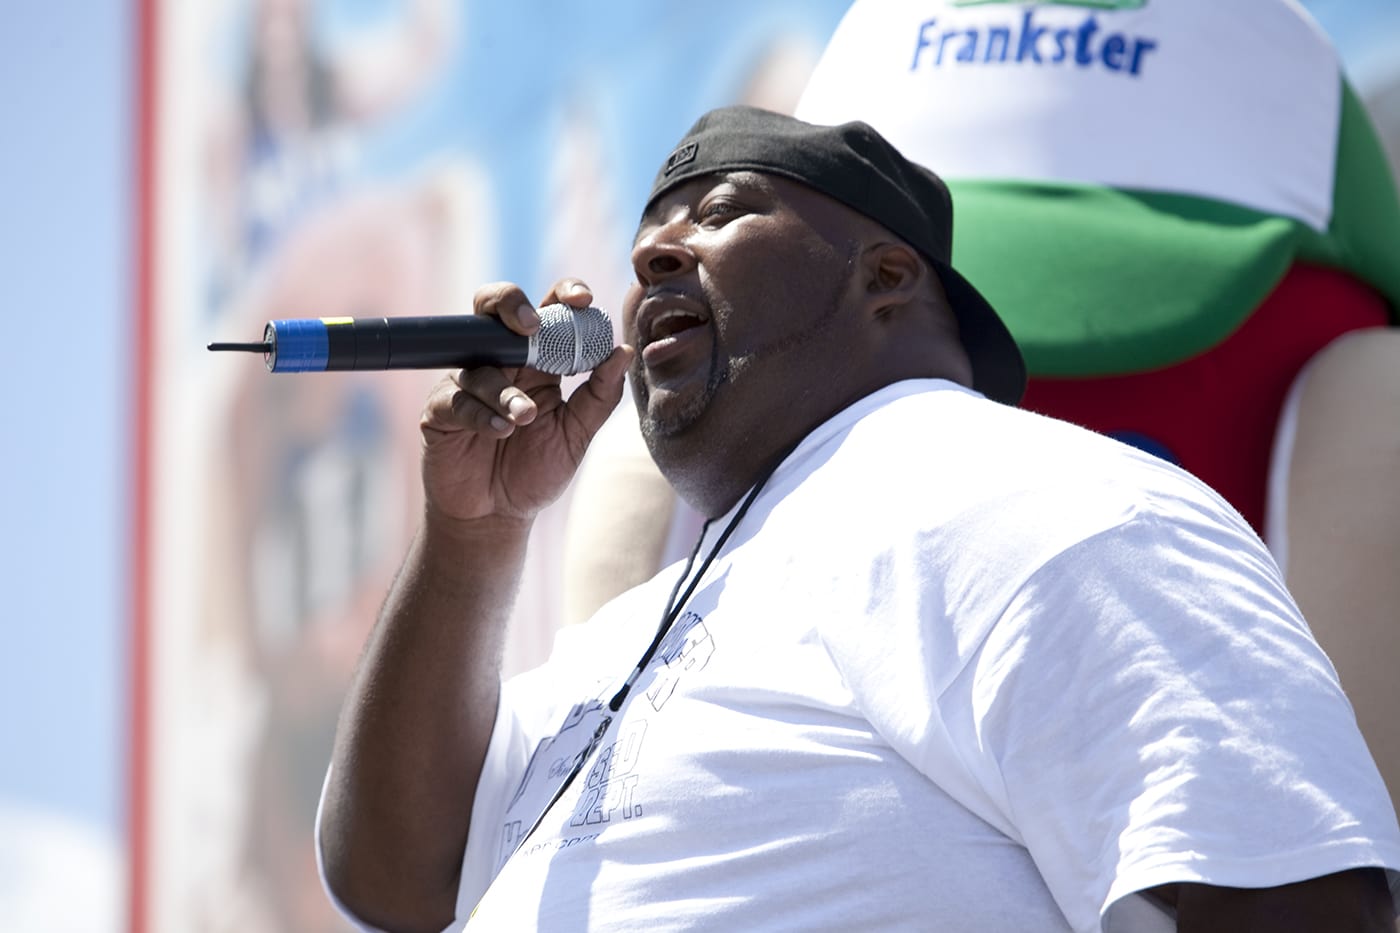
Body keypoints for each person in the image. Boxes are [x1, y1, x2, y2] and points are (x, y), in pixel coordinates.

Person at [316, 106, 1400, 931]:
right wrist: (473, 534)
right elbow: (398, 881)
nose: (649, 258)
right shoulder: (641, 627)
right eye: (645, 234)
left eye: (723, 211)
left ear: (887, 277)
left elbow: (1284, 894)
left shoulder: (1024, 502)